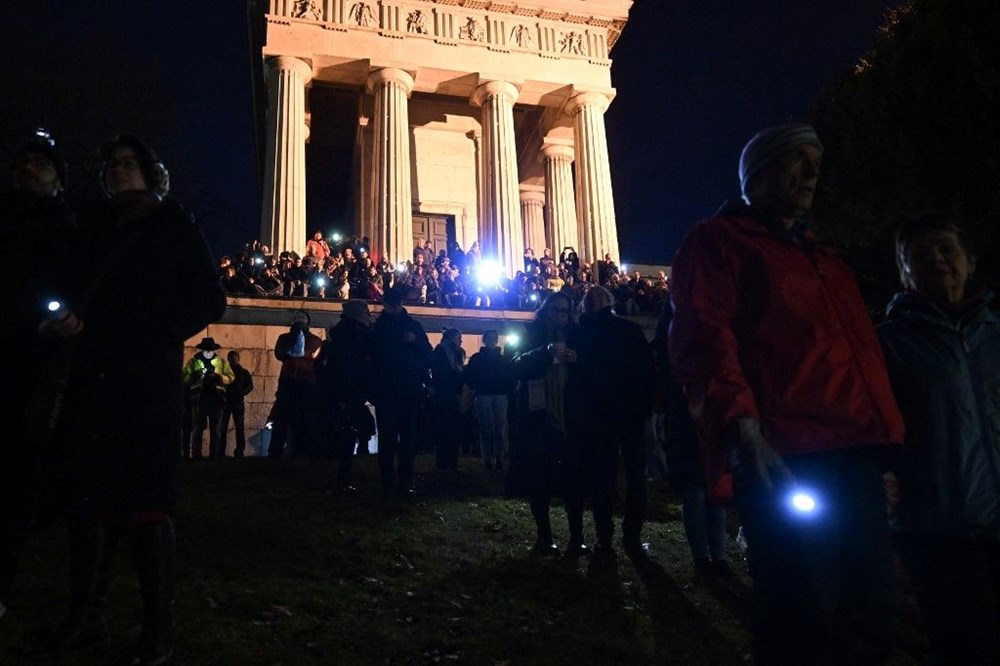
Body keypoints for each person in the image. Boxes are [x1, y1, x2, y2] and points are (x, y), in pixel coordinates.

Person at [668, 124, 905, 664]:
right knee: (801, 612)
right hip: (786, 455)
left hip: (855, 456)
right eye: (796, 161)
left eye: (815, 162)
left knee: (870, 608)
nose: (812, 174)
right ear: (759, 174)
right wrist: (742, 431)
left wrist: (884, 449)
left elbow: (861, 358)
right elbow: (704, 338)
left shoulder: (827, 259)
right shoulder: (718, 242)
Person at [37, 134, 226, 663]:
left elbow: (210, 297)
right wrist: (67, 316)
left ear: (150, 173)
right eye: (112, 165)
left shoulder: (174, 225)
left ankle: (157, 630)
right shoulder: (94, 227)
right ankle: (86, 618)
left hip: (146, 380)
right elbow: (71, 287)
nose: (119, 172)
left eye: (129, 164)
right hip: (93, 374)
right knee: (88, 498)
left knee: (147, 499)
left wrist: (156, 333)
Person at [877, 216, 1000, 665]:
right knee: (967, 647)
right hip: (937, 527)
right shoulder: (887, 344)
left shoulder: (996, 334)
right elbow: (871, 427)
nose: (936, 259)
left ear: (969, 262)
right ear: (904, 271)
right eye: (920, 255)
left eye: (946, 249)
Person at [0, 130, 76, 619]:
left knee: (21, 472)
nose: (31, 168)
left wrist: (70, 316)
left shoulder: (68, 228)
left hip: (39, 356)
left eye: (41, 164)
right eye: (24, 161)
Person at [576, 286, 655, 563]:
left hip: (622, 411)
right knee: (606, 476)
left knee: (631, 475)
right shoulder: (583, 333)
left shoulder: (620, 330)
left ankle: (627, 533)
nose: (595, 299)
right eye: (591, 297)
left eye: (599, 296)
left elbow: (646, 369)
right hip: (605, 413)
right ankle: (608, 534)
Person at [508, 292, 588, 557]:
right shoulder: (530, 332)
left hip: (569, 413)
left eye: (565, 311)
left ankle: (577, 538)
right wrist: (546, 352)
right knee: (539, 479)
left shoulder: (577, 334)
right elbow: (516, 364)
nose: (560, 315)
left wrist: (578, 360)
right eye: (555, 310)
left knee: (573, 481)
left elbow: (591, 368)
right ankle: (545, 537)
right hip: (538, 415)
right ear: (546, 310)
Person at [652, 304, 729, 577]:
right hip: (687, 418)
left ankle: (717, 556)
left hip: (701, 418)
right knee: (698, 493)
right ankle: (704, 557)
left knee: (710, 494)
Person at [372, 286, 432, 496]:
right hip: (391, 389)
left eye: (396, 304)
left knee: (406, 437)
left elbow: (427, 353)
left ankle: (404, 481)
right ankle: (389, 481)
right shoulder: (379, 328)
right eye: (391, 305)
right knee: (389, 438)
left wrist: (415, 342)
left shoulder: (411, 327)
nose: (394, 308)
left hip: (405, 389)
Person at [315, 300, 376, 492]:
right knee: (347, 432)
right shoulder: (356, 336)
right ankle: (342, 478)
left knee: (342, 431)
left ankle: (337, 476)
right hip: (349, 390)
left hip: (340, 390)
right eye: (366, 313)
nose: (370, 316)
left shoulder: (339, 334)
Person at [268, 310, 323, 459]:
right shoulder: (285, 338)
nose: (300, 321)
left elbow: (313, 356)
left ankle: (302, 451)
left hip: (306, 382)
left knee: (305, 418)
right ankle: (276, 452)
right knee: (282, 417)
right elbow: (280, 353)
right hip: (288, 380)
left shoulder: (314, 339)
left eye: (303, 318)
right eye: (297, 318)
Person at [464, 330, 514, 473]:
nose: (492, 340)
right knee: (495, 428)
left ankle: (491, 458)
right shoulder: (503, 360)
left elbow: (470, 374)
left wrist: (475, 387)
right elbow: (510, 377)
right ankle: (496, 458)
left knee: (491, 428)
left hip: (486, 394)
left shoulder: (477, 358)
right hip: (495, 394)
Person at [181, 337, 235, 459]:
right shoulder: (193, 362)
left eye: (210, 350)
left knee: (215, 429)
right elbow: (184, 377)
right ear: (202, 350)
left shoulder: (221, 362)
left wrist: (218, 377)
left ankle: (214, 455)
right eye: (206, 350)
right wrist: (194, 375)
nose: (208, 352)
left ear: (214, 350)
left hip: (216, 400)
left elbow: (231, 377)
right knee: (198, 428)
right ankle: (196, 455)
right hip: (199, 399)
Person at [429, 327, 465, 470]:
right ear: (451, 339)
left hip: (449, 393)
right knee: (447, 428)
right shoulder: (443, 352)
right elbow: (444, 373)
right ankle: (446, 462)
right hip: (446, 393)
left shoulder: (449, 352)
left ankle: (447, 462)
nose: (460, 341)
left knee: (449, 428)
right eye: (458, 338)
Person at [222, 350, 254, 458]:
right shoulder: (225, 372)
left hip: (237, 402)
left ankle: (239, 451)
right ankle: (222, 451)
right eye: (231, 357)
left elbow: (250, 386)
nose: (233, 359)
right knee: (224, 427)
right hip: (228, 402)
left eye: (235, 357)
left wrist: (242, 393)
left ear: (238, 358)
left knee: (239, 428)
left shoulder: (243, 372)